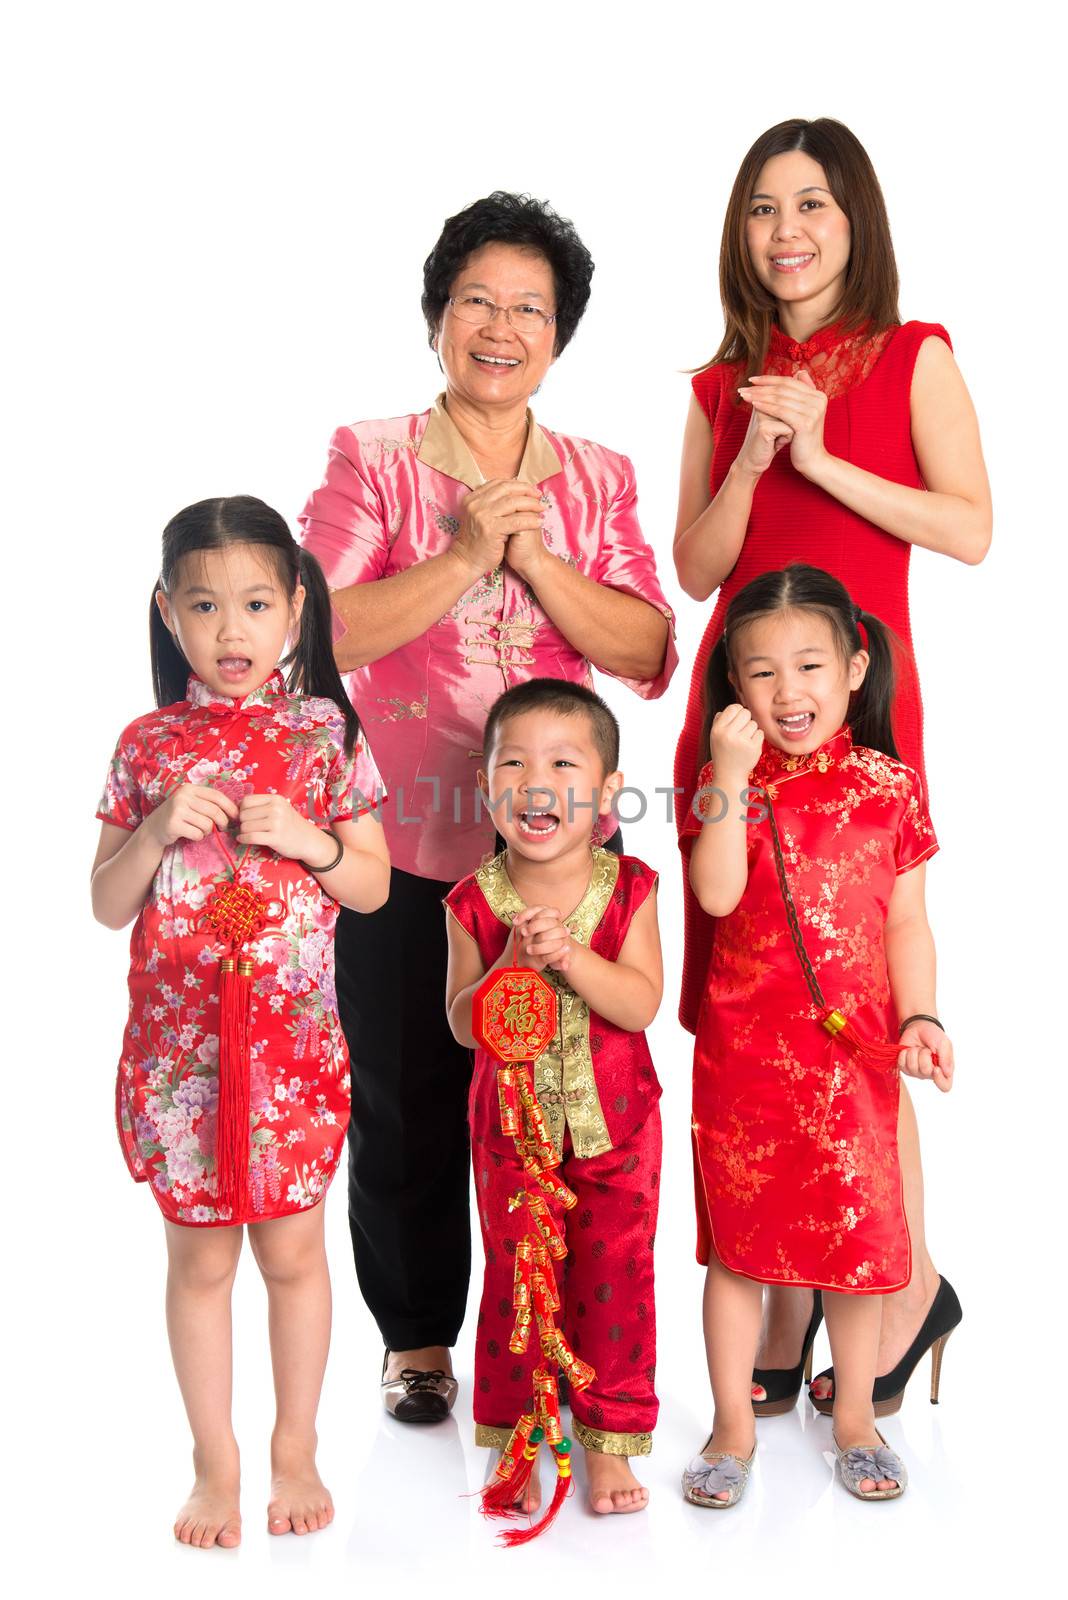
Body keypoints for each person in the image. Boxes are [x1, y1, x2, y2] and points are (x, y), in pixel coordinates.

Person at [300, 192, 676, 1420]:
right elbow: (322, 634)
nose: (503, 328)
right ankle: (419, 1339)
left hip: (567, 857)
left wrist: (536, 559)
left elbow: (648, 647)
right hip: (406, 845)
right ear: (436, 318)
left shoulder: (600, 476)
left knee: (575, 1102)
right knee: (406, 1098)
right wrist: (462, 555)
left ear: (559, 336)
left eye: (532, 309)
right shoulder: (373, 456)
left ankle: (568, 1332)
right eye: (479, 302)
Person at [672, 117, 985, 1414]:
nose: (787, 232)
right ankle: (785, 1293)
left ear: (856, 220)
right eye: (762, 209)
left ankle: (906, 1288)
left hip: (856, 713)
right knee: (753, 1004)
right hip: (742, 716)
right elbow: (698, 570)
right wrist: (755, 449)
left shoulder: (914, 357)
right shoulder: (715, 384)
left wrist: (824, 459)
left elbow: (971, 529)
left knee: (853, 1003)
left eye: (812, 204)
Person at [91, 497, 390, 1549]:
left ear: (296, 606)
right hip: (183, 1060)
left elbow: (372, 887)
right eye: (206, 605)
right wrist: (157, 827)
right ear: (167, 612)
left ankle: (295, 1447)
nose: (232, 632)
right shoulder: (146, 747)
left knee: (296, 1257)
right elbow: (106, 901)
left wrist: (312, 839)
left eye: (257, 603)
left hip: (292, 1050)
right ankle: (212, 1462)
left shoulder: (323, 737)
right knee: (201, 1263)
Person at [680, 564, 954, 1506]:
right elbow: (715, 895)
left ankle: (856, 1420)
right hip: (745, 1057)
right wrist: (725, 774)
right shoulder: (731, 789)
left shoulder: (888, 785)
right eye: (761, 674)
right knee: (738, 1252)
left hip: (852, 1057)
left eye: (808, 666)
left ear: (853, 666)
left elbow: (907, 922)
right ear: (734, 689)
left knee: (860, 1240)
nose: (788, 691)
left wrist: (921, 1014)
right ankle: (728, 1425)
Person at [444, 679, 663, 1524]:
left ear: (606, 792)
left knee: (615, 1274)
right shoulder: (472, 901)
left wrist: (571, 956)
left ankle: (609, 1440)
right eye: (515, 764)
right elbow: (465, 1026)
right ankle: (518, 1433)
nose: (538, 785)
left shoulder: (631, 886)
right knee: (519, 1277)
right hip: (510, 1138)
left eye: (564, 764)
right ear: (486, 784)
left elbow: (640, 1003)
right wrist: (510, 963)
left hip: (618, 1132)